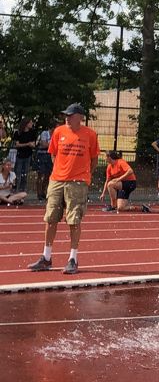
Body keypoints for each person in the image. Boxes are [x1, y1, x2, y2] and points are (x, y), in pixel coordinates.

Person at [28, 104, 101, 275]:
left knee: (73, 220)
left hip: (78, 182)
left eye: (70, 115)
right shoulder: (59, 131)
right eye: (66, 115)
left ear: (80, 117)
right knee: (50, 218)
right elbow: (54, 154)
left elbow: (94, 159)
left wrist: (84, 175)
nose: (66, 118)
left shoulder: (90, 134)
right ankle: (46, 257)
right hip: (57, 180)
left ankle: (73, 259)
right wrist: (60, 172)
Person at [12, 117, 37, 193]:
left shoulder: (32, 132)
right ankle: (15, 189)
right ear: (26, 124)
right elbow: (17, 145)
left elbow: (33, 144)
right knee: (17, 173)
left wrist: (30, 144)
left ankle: (22, 190)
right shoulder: (18, 132)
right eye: (30, 123)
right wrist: (27, 144)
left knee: (25, 173)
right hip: (19, 155)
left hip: (28, 155)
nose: (31, 124)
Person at [34, 134, 53, 201]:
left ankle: (43, 192)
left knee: (48, 175)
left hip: (49, 155)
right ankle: (39, 193)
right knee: (40, 174)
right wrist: (52, 145)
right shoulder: (44, 133)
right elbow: (44, 145)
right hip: (42, 155)